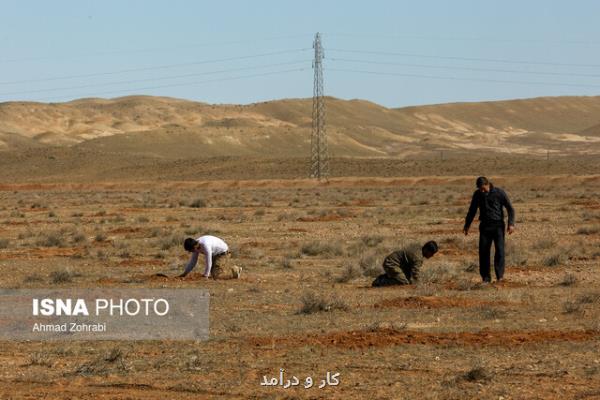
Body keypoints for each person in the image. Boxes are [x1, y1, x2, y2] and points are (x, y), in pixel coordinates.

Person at [463, 176, 515, 283]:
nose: (482, 191)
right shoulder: (477, 194)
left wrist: (511, 224)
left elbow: (510, 208)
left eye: (483, 188)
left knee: (500, 251)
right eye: (480, 189)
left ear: (487, 184)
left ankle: (500, 277)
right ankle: (486, 278)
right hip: (485, 226)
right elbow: (472, 210)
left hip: (498, 226)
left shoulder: (499, 193)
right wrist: (467, 225)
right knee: (483, 252)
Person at [372, 241, 439, 287]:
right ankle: (380, 281)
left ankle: (387, 277)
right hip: (391, 264)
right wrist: (418, 285)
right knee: (403, 282)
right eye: (431, 253)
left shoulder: (419, 250)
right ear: (426, 250)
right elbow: (415, 273)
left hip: (397, 264)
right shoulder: (418, 257)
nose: (432, 255)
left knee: (406, 278)